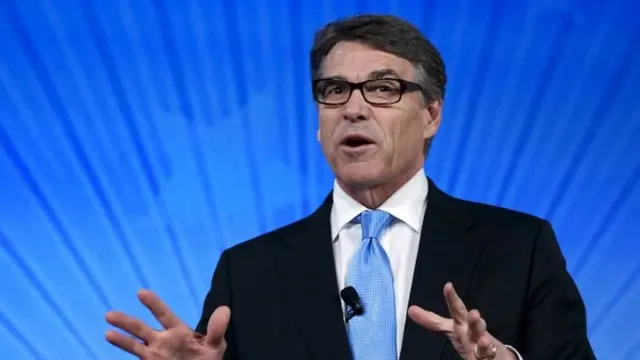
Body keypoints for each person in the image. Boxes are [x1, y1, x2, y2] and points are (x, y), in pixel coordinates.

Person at [105, 14, 596, 360]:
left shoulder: (519, 247)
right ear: (319, 121)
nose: (353, 108)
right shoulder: (247, 271)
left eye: (383, 89)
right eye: (334, 90)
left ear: (431, 115)